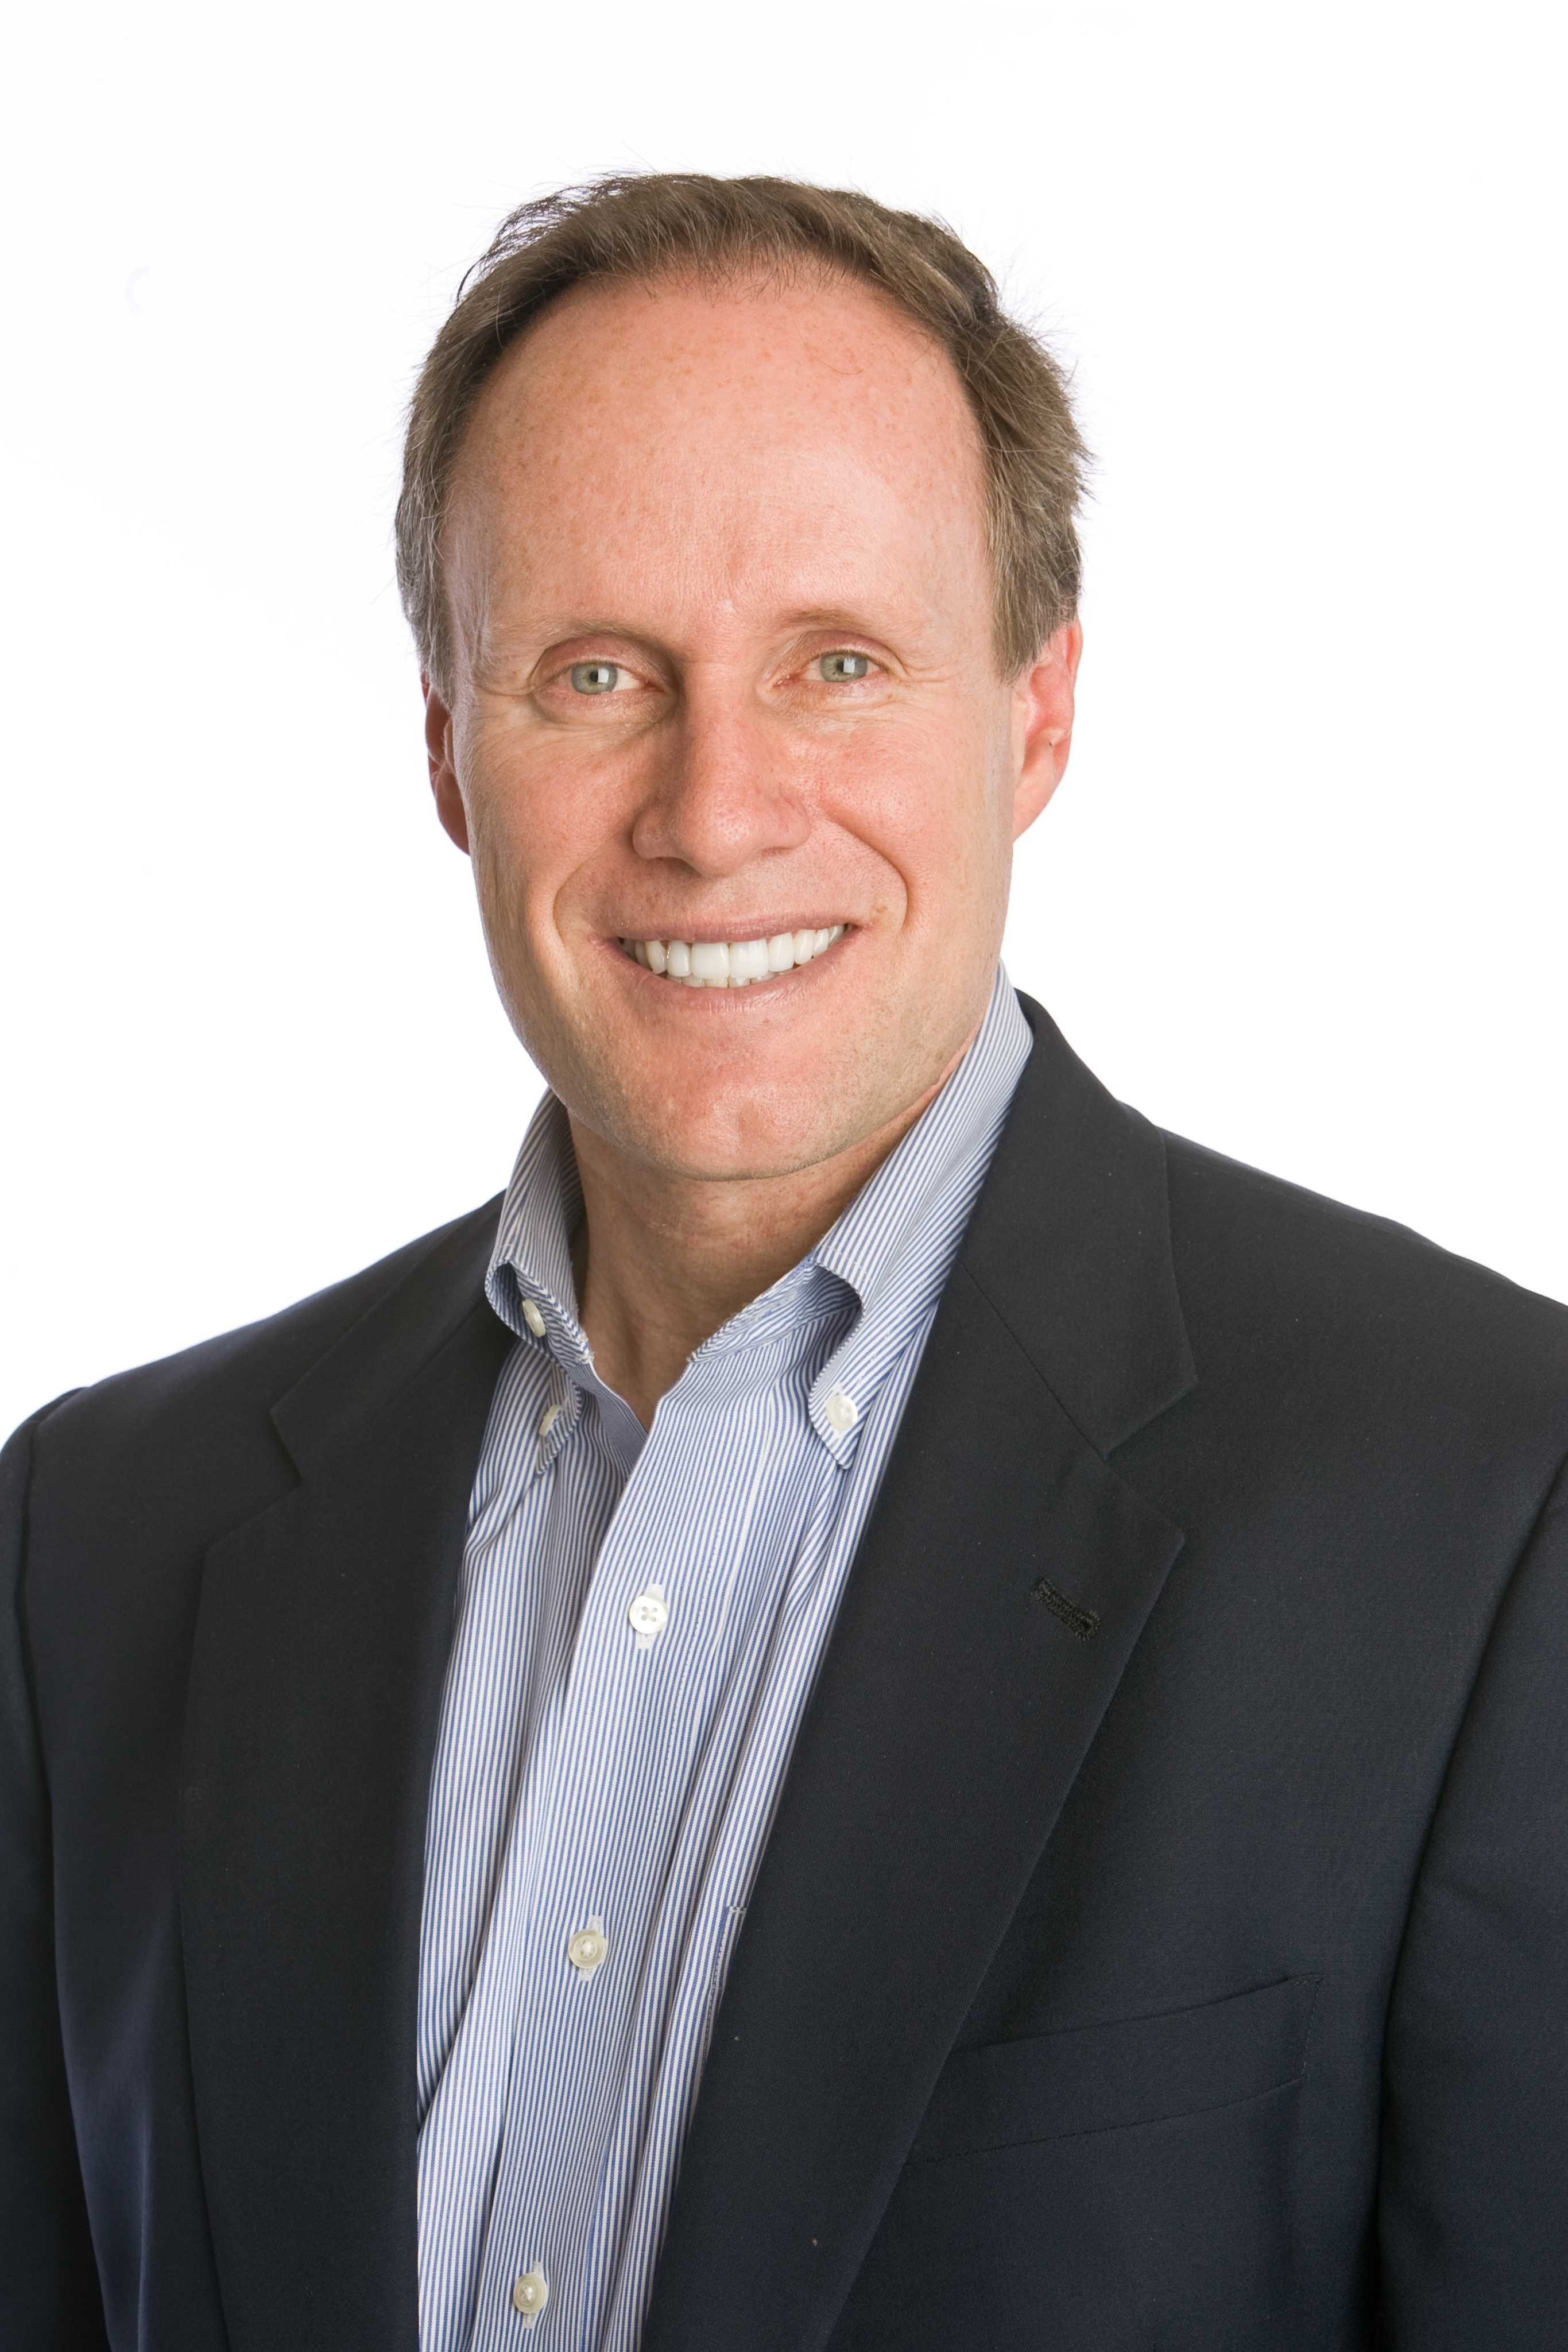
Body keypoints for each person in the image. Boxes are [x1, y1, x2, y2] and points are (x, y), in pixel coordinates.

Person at [3, 170, 1565, 2352]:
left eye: (837, 664)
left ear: (1035, 712)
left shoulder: (1485, 1511)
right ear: (449, 746)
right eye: (592, 674)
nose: (716, 809)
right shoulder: (98, 1540)